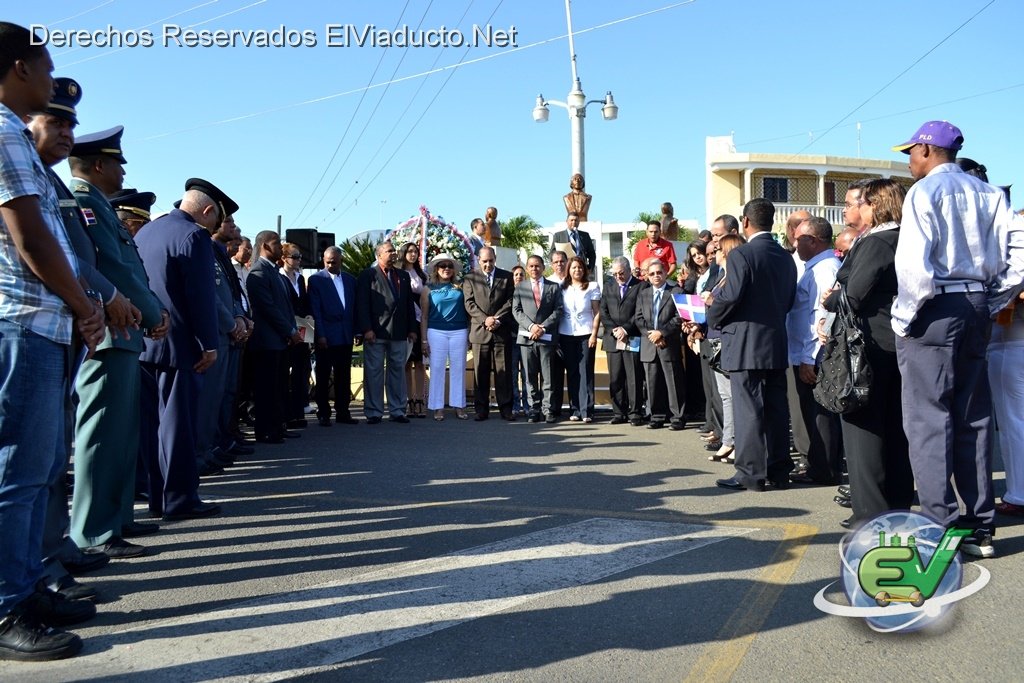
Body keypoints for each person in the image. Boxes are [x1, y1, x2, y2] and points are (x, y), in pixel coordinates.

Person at [0, 22, 106, 661]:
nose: (48, 82)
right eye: (43, 69)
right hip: (24, 323)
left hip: (44, 324)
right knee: (18, 471)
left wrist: (80, 308)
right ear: (17, 69)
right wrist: (82, 303)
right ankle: (7, 603)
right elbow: (32, 241)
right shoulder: (6, 133)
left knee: (38, 471)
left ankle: (28, 582)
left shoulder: (14, 134)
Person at [890, 120, 1024, 557]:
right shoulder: (991, 194)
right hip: (976, 305)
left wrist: (905, 318)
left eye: (912, 151)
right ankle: (979, 528)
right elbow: (1018, 252)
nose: (910, 159)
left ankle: (938, 529)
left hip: (934, 307)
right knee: (974, 418)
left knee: (929, 423)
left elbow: (913, 264)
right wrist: (993, 297)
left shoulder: (924, 192)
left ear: (928, 150)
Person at [67, 125, 166, 557]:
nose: (124, 170)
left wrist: (147, 313)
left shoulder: (99, 205)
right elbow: (114, 269)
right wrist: (152, 312)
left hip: (124, 332)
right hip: (108, 334)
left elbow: (129, 269)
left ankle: (116, 520)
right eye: (119, 162)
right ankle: (93, 532)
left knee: (121, 435)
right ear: (100, 165)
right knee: (102, 436)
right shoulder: (85, 202)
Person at [822, 178, 914, 529]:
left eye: (862, 202)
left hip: (870, 348)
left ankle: (871, 513)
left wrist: (831, 299)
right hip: (895, 344)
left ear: (876, 206)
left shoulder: (877, 241)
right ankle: (896, 505)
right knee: (894, 430)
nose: (854, 208)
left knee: (863, 432)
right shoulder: (906, 237)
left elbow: (853, 295)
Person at [136, 178, 229, 520]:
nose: (215, 227)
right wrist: (209, 344)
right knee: (177, 427)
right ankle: (179, 499)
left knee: (153, 428)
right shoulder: (194, 236)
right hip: (180, 348)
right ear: (206, 212)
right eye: (216, 220)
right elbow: (200, 298)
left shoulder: (147, 231)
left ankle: (159, 497)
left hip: (146, 345)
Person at [708, 198, 797, 492]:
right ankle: (779, 471)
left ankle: (750, 473)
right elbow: (788, 300)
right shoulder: (785, 256)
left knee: (748, 409)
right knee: (775, 408)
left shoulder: (741, 255)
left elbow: (731, 296)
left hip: (745, 341)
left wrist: (713, 314)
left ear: (745, 222)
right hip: (774, 340)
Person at [786, 217, 842, 486]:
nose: (795, 244)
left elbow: (822, 316)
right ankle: (815, 465)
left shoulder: (825, 269)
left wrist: (810, 358)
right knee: (812, 414)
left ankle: (825, 469)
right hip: (804, 352)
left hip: (815, 354)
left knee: (821, 416)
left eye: (799, 239)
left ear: (813, 240)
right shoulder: (815, 267)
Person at [246, 231, 300, 443]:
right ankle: (266, 430)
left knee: (278, 387)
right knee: (266, 388)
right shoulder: (258, 273)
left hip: (278, 340)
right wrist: (289, 331)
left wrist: (291, 330)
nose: (281, 246)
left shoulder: (274, 272)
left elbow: (284, 307)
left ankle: (277, 426)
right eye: (276, 243)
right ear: (265, 246)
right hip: (266, 341)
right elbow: (268, 309)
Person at [356, 241, 418, 424]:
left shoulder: (403, 276)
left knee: (397, 371)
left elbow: (408, 305)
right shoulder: (368, 275)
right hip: (376, 332)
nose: (393, 253)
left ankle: (398, 410)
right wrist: (366, 329)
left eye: (394, 251)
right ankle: (374, 411)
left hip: (399, 332)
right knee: (374, 372)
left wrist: (412, 329)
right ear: (379, 255)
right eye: (389, 251)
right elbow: (363, 303)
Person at [307, 246, 358, 427]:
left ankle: (343, 411)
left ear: (340, 261)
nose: (329, 265)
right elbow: (316, 310)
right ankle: (324, 412)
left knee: (344, 375)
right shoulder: (316, 280)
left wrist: (357, 331)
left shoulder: (351, 280)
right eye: (327, 261)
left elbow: (354, 309)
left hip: (345, 335)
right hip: (326, 337)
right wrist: (320, 335)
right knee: (323, 375)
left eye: (333, 262)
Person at [463, 246, 516, 420]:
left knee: (504, 371)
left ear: (495, 259)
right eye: (484, 261)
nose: (487, 264)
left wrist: (497, 319)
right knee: (481, 372)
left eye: (490, 261)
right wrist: (485, 319)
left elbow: (510, 301)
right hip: (480, 330)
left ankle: (506, 408)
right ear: (479, 260)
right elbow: (469, 303)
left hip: (501, 330)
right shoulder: (470, 278)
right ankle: (481, 409)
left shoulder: (507, 276)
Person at [634, 257, 686, 430]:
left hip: (668, 343)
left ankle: (677, 417)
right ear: (647, 276)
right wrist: (652, 335)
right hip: (650, 344)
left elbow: (680, 317)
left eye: (659, 272)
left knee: (673, 382)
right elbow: (638, 318)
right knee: (652, 382)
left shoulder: (676, 291)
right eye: (652, 274)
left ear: (665, 273)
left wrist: (661, 333)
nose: (656, 276)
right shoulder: (643, 294)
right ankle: (657, 416)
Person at [513, 254, 563, 423]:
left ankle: (547, 409)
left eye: (537, 266)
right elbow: (516, 311)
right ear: (527, 269)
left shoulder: (553, 287)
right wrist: (531, 326)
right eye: (531, 266)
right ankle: (533, 409)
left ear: (543, 267)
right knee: (530, 377)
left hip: (546, 338)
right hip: (526, 339)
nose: (534, 269)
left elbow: (558, 310)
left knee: (548, 377)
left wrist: (542, 327)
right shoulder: (520, 287)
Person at [420, 253, 469, 420]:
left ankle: (459, 405)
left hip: (459, 331)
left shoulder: (461, 287)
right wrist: (424, 340)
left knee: (458, 368)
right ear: (436, 269)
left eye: (449, 266)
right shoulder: (428, 289)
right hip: (436, 332)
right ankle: (437, 407)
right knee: (437, 368)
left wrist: (469, 333)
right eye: (442, 266)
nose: (446, 268)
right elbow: (424, 316)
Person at [600, 256, 644, 425]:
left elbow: (639, 312)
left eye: (621, 273)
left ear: (629, 270)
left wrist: (626, 329)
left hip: (631, 336)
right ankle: (619, 412)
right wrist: (614, 330)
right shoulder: (609, 286)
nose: (618, 276)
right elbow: (604, 312)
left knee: (633, 377)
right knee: (616, 377)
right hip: (613, 338)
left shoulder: (640, 286)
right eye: (615, 274)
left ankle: (635, 413)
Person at [558, 256, 601, 423]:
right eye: (574, 267)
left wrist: (594, 334)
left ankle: (587, 410)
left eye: (580, 267)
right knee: (573, 372)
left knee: (586, 372)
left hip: (586, 333)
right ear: (569, 269)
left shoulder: (592, 286)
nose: (577, 270)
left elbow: (596, 312)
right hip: (566, 334)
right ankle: (575, 409)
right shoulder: (562, 287)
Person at [279, 242, 312, 428]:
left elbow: (304, 302)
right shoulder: (279, 277)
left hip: (303, 328)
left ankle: (299, 411)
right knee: (285, 372)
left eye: (300, 256)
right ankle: (286, 413)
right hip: (286, 330)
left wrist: (308, 315)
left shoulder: (300, 278)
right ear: (284, 258)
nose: (299, 260)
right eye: (294, 257)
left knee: (302, 370)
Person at [398, 242, 428, 417]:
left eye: (415, 251)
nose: (413, 254)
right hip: (405, 322)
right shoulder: (399, 274)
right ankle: (409, 401)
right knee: (406, 364)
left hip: (420, 321)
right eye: (409, 251)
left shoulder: (422, 275)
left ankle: (420, 401)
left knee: (420, 363)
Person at [509, 265, 530, 416]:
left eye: (521, 274)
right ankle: (515, 404)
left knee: (527, 374)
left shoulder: (529, 292)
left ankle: (528, 405)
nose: (518, 276)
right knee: (513, 374)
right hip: (511, 339)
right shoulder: (508, 294)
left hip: (527, 338)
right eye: (516, 274)